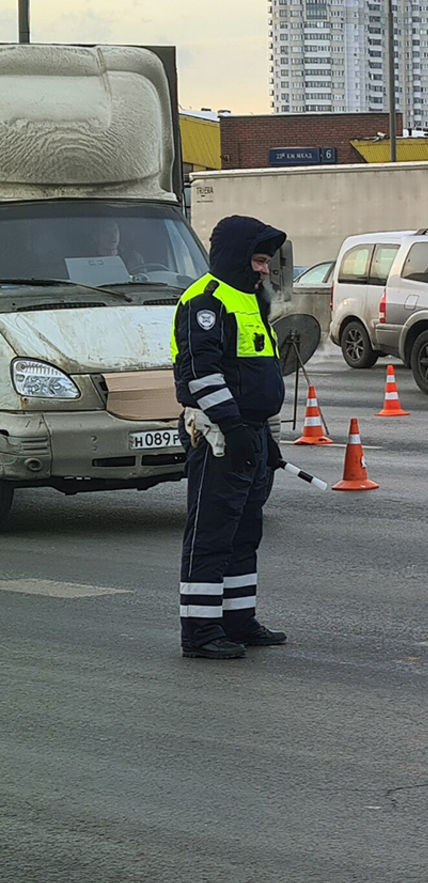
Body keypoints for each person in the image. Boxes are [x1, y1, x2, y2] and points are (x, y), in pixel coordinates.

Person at [171, 215, 289, 659]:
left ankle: (239, 620)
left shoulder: (251, 301)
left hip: (249, 434)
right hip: (219, 435)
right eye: (259, 260)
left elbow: (257, 374)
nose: (264, 269)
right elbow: (200, 373)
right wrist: (235, 427)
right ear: (238, 257)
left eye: (266, 262)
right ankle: (200, 632)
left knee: (244, 533)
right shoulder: (205, 300)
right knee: (211, 533)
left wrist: (263, 438)